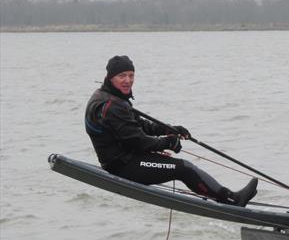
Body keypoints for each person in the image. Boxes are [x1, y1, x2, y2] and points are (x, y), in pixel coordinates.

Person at [85, 55, 258, 207]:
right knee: (184, 169)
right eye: (122, 76)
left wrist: (169, 129)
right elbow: (137, 140)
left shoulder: (111, 97)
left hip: (127, 158)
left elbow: (139, 125)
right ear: (110, 77)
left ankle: (226, 197)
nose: (128, 80)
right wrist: (167, 142)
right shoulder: (111, 105)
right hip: (123, 166)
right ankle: (232, 200)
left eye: (131, 75)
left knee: (185, 166)